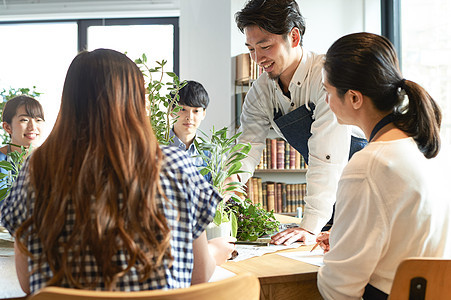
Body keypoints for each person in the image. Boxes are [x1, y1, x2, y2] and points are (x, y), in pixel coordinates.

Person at [0, 49, 222, 294]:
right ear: (136, 102)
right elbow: (198, 276)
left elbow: (26, 280)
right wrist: (216, 250)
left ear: (70, 103)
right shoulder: (177, 164)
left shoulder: (37, 168)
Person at [316, 32, 451, 300]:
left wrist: (341, 252)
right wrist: (345, 237)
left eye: (327, 91)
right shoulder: (425, 149)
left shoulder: (369, 165)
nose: (326, 102)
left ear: (354, 98)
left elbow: (338, 287)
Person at [234, 0, 367, 245]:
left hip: (363, 188)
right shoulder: (260, 92)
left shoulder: (326, 76)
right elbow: (247, 147)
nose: (257, 58)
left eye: (265, 46)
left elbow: (326, 155)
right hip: (327, 193)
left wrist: (311, 224)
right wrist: (228, 189)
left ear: (294, 37)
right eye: (251, 49)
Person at [169, 80, 236, 265]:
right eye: (182, 109)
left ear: (204, 113)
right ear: (171, 110)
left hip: (204, 237)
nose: (189, 117)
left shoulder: (212, 154)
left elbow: (221, 192)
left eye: (196, 111)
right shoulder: (156, 147)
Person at [0, 95, 45, 186]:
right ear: (7, 127)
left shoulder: (52, 159)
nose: (32, 127)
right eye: (24, 120)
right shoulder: (1, 161)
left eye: (38, 120)